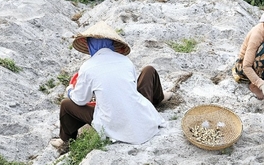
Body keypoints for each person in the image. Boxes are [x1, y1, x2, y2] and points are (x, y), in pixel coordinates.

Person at [50, 21, 172, 152]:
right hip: (143, 119)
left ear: (90, 44)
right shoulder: (125, 61)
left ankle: (66, 140)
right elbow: (129, 86)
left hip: (113, 123)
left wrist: (70, 91)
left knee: (66, 105)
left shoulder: (87, 67)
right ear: (112, 43)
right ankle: (159, 97)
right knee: (149, 70)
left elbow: (81, 100)